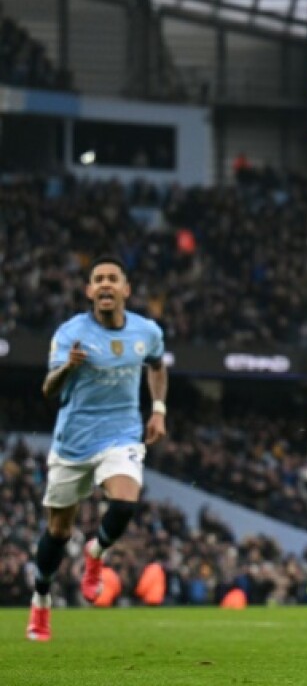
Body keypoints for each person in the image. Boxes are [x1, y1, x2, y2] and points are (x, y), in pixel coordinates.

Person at [28, 256, 168, 642]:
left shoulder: (147, 331)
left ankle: (96, 553)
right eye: (98, 280)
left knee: (125, 503)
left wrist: (157, 410)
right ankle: (41, 601)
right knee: (58, 532)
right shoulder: (71, 333)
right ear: (90, 292)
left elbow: (157, 366)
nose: (105, 285)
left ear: (125, 290)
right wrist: (68, 367)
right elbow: (48, 389)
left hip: (121, 434)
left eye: (112, 279)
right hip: (73, 441)